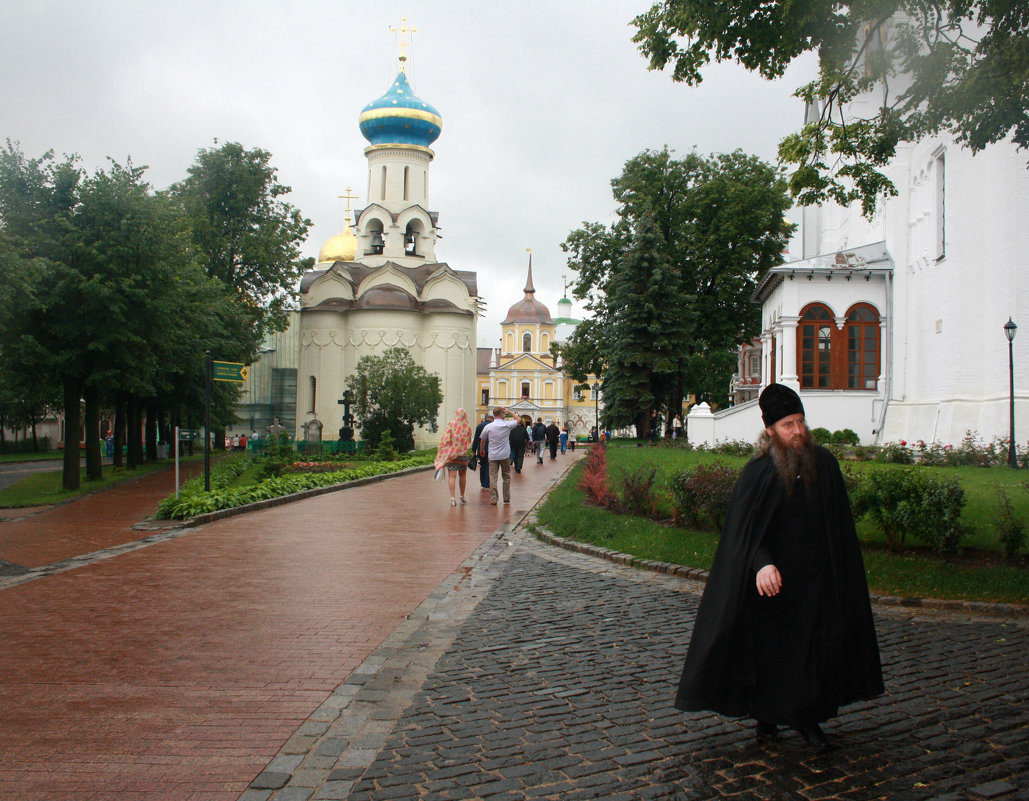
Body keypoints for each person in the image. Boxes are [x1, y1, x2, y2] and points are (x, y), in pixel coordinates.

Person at [673, 384, 883, 750]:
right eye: (788, 424)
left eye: (800, 422)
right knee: (770, 653)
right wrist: (761, 564)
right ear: (769, 429)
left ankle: (809, 719)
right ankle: (766, 717)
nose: (798, 431)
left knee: (813, 651)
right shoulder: (758, 471)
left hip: (816, 579)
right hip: (772, 584)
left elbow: (838, 527)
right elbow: (743, 532)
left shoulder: (825, 465)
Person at [480, 407, 520, 505]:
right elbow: (518, 420)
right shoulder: (507, 425)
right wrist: (509, 411)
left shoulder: (489, 426)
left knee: (493, 477)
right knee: (506, 476)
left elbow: (482, 440)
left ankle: (494, 498)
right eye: (504, 414)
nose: (505, 415)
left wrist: (482, 450)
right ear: (502, 414)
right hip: (505, 455)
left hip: (493, 455)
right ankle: (506, 497)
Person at [434, 408, 473, 506]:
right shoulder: (467, 427)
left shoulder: (451, 424)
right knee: (463, 476)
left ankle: (452, 498)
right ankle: (462, 496)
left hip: (451, 455)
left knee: (452, 476)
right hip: (463, 454)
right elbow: (469, 440)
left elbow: (446, 439)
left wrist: (443, 450)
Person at [471, 414, 492, 491]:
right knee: (489, 466)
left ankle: (483, 482)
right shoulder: (493, 426)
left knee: (483, 466)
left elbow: (476, 439)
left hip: (482, 449)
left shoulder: (479, 426)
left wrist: (474, 450)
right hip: (491, 449)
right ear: (492, 419)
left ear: (486, 418)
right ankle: (487, 483)